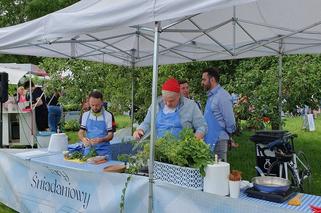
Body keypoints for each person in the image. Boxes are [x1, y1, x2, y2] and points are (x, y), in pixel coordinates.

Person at [133, 78, 207, 140]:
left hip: (182, 152)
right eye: (165, 100)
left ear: (179, 95)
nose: (168, 103)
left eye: (171, 100)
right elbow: (147, 123)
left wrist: (195, 139)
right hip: (158, 149)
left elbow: (202, 126)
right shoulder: (156, 104)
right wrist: (140, 130)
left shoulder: (191, 106)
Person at [201, 68, 236, 162]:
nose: (202, 82)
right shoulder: (211, 96)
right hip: (209, 140)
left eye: (204, 79)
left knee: (219, 172)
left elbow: (230, 121)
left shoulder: (223, 96)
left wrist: (228, 135)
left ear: (212, 79)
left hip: (219, 141)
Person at [78, 91, 114, 157]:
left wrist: (101, 140)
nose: (94, 107)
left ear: (102, 102)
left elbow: (111, 135)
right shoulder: (85, 115)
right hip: (89, 151)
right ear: (89, 103)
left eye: (97, 105)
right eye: (92, 105)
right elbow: (80, 132)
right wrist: (83, 139)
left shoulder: (108, 115)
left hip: (104, 151)